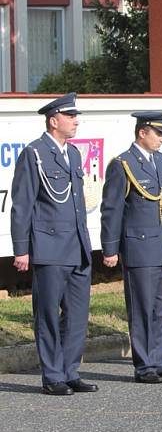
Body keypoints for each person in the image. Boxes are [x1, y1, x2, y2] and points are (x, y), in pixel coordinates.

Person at [10, 93, 97, 395]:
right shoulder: (34, 154)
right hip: (49, 246)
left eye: (76, 116)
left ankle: (70, 370)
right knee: (48, 313)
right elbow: (22, 205)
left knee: (76, 314)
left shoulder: (72, 155)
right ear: (53, 120)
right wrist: (21, 248)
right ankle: (52, 375)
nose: (76, 121)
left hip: (76, 246)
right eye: (70, 116)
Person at [100, 112, 162, 383]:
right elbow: (112, 209)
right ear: (142, 133)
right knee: (142, 309)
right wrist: (110, 248)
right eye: (157, 133)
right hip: (140, 247)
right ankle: (144, 365)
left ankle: (160, 361)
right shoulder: (123, 164)